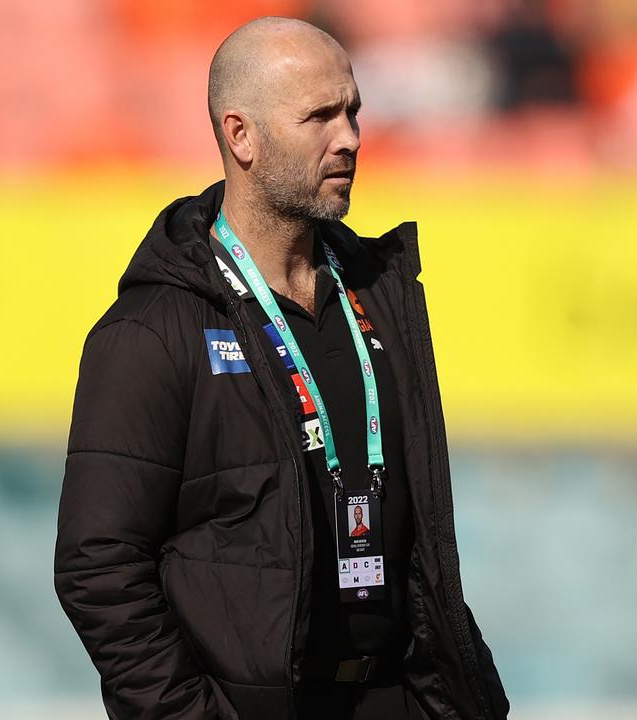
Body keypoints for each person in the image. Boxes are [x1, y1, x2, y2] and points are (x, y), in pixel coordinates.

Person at [54, 17, 509, 720]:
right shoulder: (152, 330)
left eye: (354, 109)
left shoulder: (379, 297)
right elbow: (98, 566)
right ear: (241, 135)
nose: (351, 137)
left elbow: (421, 541)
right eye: (320, 116)